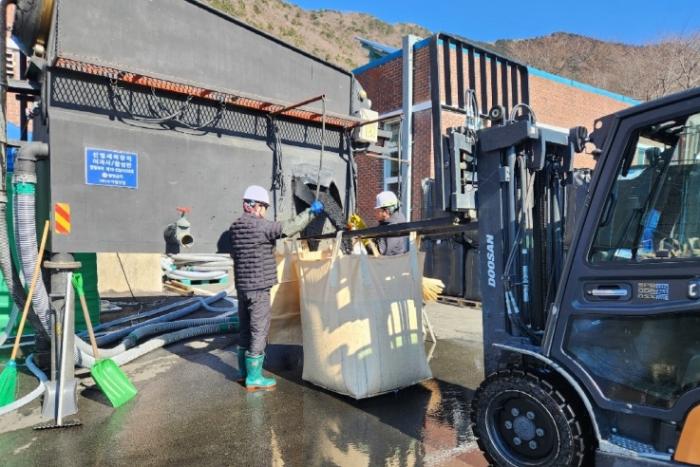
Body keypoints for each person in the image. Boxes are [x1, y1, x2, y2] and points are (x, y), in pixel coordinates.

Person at [230, 185, 324, 391]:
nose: (265, 212)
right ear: (257, 206)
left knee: (245, 329)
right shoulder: (262, 227)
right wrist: (311, 212)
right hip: (259, 288)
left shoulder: (235, 227)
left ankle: (244, 373)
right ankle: (254, 378)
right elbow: (290, 227)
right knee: (259, 330)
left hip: (242, 287)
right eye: (265, 207)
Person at [373, 190, 408, 256]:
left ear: (386, 211)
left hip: (391, 261)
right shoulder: (389, 223)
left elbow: (382, 253)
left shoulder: (393, 227)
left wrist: (367, 243)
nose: (376, 213)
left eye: (379, 210)